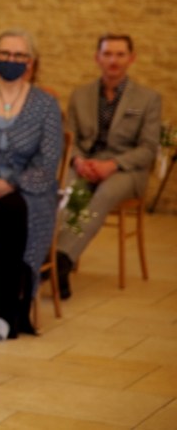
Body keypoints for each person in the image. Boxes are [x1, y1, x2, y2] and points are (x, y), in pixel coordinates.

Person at [0, 29, 63, 338]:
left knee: (9, 212)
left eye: (19, 55)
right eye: (5, 54)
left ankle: (4, 313)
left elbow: (48, 162)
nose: (11, 60)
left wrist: (8, 184)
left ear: (31, 62)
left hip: (27, 191)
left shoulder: (46, 105)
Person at [57, 34, 161, 298]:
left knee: (103, 195)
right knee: (68, 192)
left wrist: (112, 164)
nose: (113, 60)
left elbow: (148, 148)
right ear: (97, 58)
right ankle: (52, 257)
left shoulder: (147, 99)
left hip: (126, 171)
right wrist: (78, 160)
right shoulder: (80, 95)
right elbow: (70, 137)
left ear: (131, 58)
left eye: (120, 54)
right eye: (107, 54)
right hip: (85, 164)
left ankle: (61, 260)